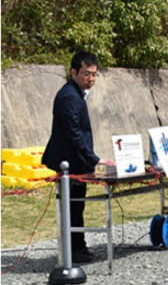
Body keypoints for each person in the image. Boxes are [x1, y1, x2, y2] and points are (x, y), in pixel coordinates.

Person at [42, 51, 116, 263]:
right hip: (69, 162)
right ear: (73, 72)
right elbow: (74, 134)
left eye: (94, 74)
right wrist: (94, 160)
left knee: (77, 205)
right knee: (72, 206)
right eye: (86, 74)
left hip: (76, 161)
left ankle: (77, 247)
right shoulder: (69, 96)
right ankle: (74, 250)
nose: (91, 78)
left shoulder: (77, 94)